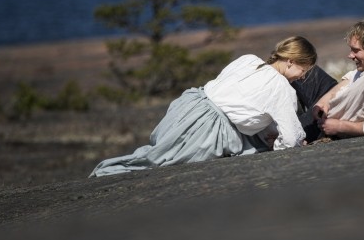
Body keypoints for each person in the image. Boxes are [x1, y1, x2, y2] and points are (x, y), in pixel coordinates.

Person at [89, 36, 317, 177]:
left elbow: (238, 101)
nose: (301, 78)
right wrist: (286, 143)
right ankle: (106, 174)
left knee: (155, 154)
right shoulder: (282, 88)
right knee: (155, 165)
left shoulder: (248, 60)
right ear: (291, 61)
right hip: (206, 130)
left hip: (188, 106)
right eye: (303, 71)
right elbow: (289, 138)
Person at [293, 20, 364, 141]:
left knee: (285, 132)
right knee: (299, 64)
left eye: (356, 50)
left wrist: (339, 126)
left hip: (326, 124)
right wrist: (324, 101)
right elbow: (351, 77)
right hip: (332, 103)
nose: (350, 55)